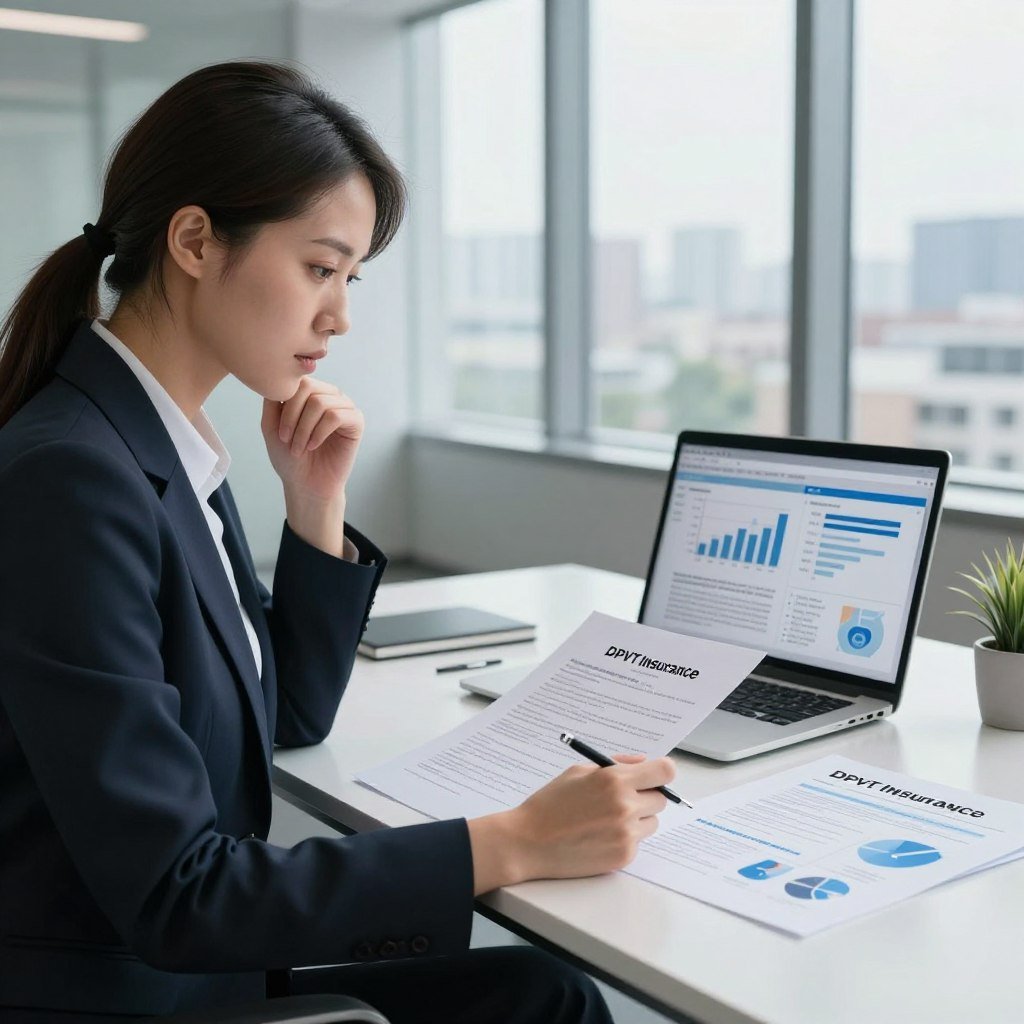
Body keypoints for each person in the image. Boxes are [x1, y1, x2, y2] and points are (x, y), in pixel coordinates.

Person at [0, 61, 676, 1024]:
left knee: (546, 990)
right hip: (131, 995)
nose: (340, 315)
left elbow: (281, 719)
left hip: (184, 971)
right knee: (546, 1002)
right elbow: (175, 896)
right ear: (194, 240)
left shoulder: (156, 442)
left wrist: (313, 507)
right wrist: (512, 841)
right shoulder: (72, 478)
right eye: (320, 267)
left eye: (350, 277)